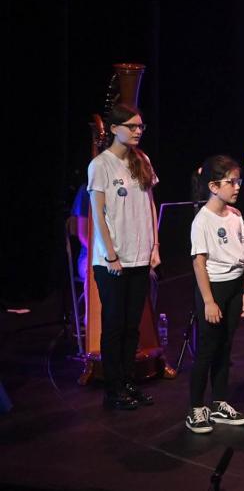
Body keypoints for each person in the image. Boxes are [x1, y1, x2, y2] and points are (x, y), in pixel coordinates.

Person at [88, 103, 161, 411]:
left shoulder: (141, 160)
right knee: (115, 325)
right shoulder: (101, 165)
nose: (137, 131)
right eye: (132, 126)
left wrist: (155, 246)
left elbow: (150, 204)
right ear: (114, 129)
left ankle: (129, 381)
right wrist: (111, 255)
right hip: (113, 262)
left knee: (133, 326)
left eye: (140, 126)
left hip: (140, 257)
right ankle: (113, 388)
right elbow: (99, 214)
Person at [185, 156, 244, 434]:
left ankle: (219, 402)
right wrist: (209, 301)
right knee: (207, 349)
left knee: (225, 347)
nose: (237, 187)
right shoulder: (202, 220)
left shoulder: (235, 216)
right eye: (231, 182)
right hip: (214, 289)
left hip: (235, 287)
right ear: (213, 186)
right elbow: (199, 263)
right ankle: (196, 407)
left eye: (238, 181)